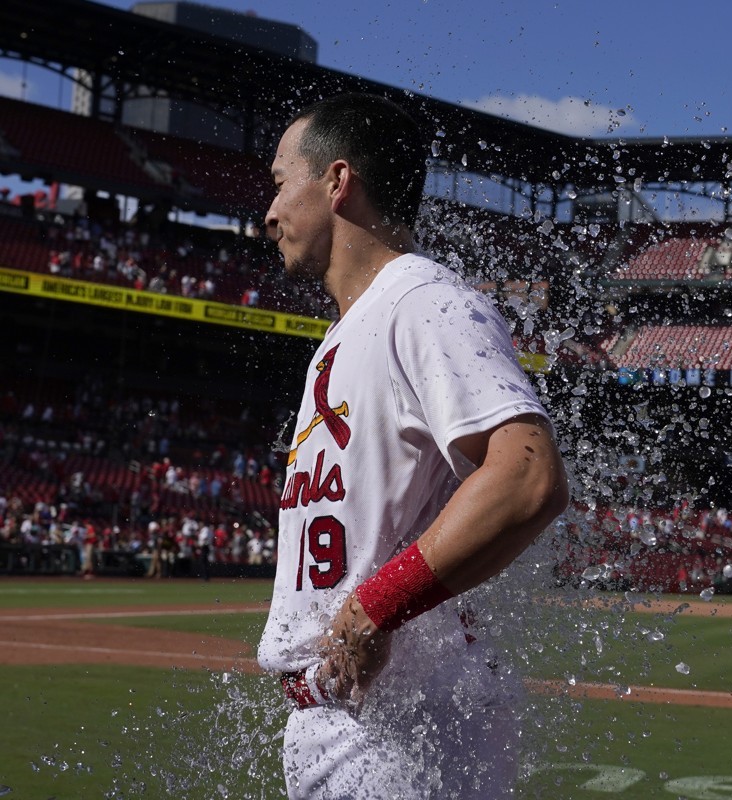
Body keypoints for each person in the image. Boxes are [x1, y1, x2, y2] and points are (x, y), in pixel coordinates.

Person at [256, 92, 570, 800]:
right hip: (360, 722)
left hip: (398, 727)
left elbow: (527, 474)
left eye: (281, 181)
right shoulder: (352, 330)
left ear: (337, 182)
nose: (268, 212)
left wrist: (376, 606)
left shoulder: (420, 298)